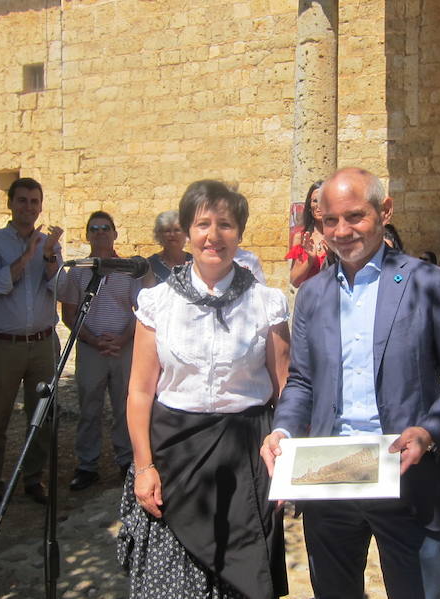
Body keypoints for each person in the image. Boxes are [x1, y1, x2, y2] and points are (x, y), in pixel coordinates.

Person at [261, 167, 440, 599]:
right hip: (330, 477)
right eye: (330, 221)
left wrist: (430, 431)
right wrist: (283, 428)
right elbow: (303, 380)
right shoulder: (312, 295)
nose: (342, 231)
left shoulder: (428, 283)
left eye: (355, 217)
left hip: (405, 472)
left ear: (384, 211)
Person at [118, 180, 290, 599]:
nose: (214, 235)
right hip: (173, 455)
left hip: (246, 456)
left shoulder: (267, 303)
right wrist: (144, 467)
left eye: (226, 225)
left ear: (240, 233)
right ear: (187, 232)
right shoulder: (156, 303)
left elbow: (285, 388)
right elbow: (140, 391)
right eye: (203, 224)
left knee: (243, 580)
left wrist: (288, 470)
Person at [0, 177, 63, 516]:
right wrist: (28, 254)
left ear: (40, 205)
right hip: (5, 345)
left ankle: (33, 478)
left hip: (42, 342)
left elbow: (58, 288)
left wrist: (51, 257)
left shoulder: (48, 244)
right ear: (11, 204)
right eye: (22, 200)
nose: (28, 207)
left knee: (41, 415)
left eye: (34, 201)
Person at [59, 211, 144, 491]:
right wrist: (95, 341)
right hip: (91, 348)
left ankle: (126, 461)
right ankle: (87, 465)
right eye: (94, 228)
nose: (100, 233)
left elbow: (141, 311)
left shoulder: (128, 270)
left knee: (124, 406)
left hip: (124, 347)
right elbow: (69, 314)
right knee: (89, 408)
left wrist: (121, 339)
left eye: (105, 228)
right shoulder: (79, 271)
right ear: (87, 235)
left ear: (115, 233)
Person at [286, 180, 328, 287]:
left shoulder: (339, 236)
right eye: (315, 201)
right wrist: (310, 260)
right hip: (310, 300)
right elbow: (294, 281)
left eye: (323, 200)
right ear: (309, 206)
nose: (319, 205)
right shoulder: (301, 238)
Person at [146, 210, 191, 283]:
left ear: (185, 233)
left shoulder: (195, 262)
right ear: (159, 235)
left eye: (177, 230)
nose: (172, 234)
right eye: (167, 231)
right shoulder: (150, 265)